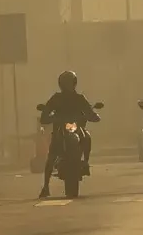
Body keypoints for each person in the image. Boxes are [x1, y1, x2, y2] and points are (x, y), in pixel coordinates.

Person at [38, 70, 99, 198]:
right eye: (65, 83)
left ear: (74, 84)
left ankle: (86, 162)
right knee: (51, 156)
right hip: (60, 130)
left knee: (87, 137)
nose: (67, 86)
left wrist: (94, 116)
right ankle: (45, 186)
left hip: (77, 127)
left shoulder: (80, 98)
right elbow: (44, 116)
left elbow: (90, 113)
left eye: (69, 83)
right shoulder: (56, 98)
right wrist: (51, 118)